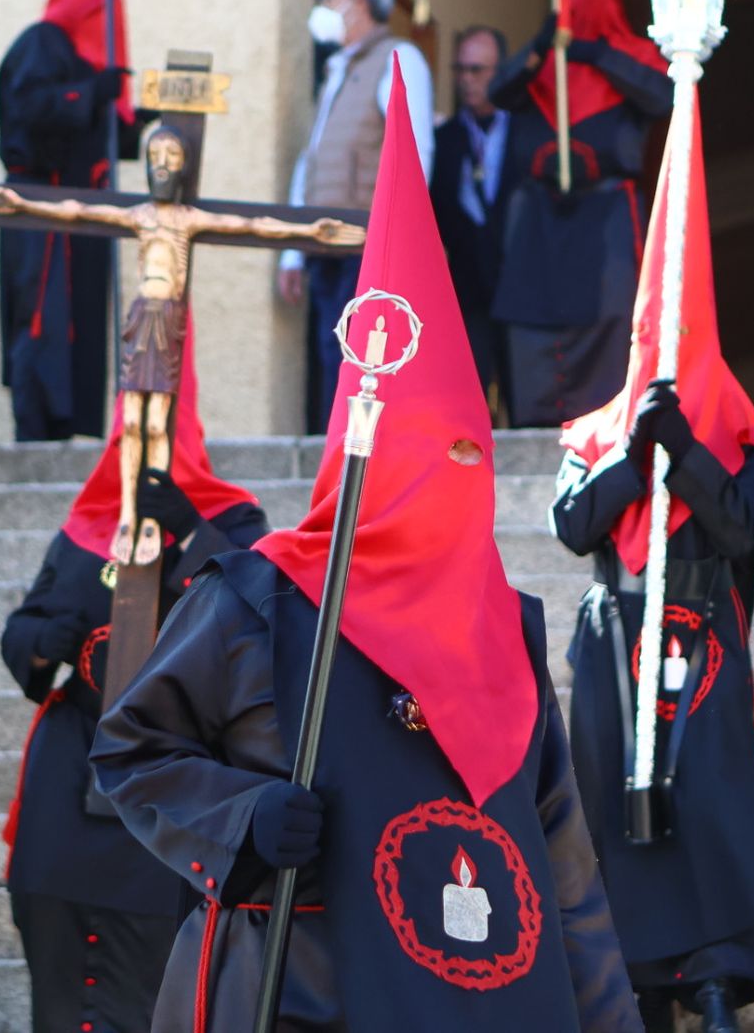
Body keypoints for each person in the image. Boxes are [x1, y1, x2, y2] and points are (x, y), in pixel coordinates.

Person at [94, 65, 641, 1033]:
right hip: (295, 990)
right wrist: (241, 817)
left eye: (472, 453)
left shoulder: (503, 636)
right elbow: (132, 750)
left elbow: (565, 873)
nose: (456, 477)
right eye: (435, 454)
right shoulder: (254, 598)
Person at [549, 94, 754, 1033]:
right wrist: (628, 453)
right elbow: (573, 525)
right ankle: (641, 988)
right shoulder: (598, 427)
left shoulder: (736, 429)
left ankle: (716, 979)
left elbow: (735, 526)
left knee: (713, 803)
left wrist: (687, 448)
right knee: (615, 811)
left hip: (703, 629)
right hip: (616, 634)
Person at [0, 320, 270, 1033]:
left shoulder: (232, 520)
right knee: (61, 988)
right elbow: (22, 635)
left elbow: (261, 619)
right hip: (67, 785)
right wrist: (42, 640)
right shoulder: (87, 522)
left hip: (172, 793)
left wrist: (189, 535)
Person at [0, 128, 362, 564]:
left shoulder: (184, 218)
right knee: (131, 426)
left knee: (158, 425)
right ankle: (128, 513)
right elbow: (77, 211)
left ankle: (152, 514)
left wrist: (317, 230)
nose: (160, 163)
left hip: (166, 324)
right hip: (140, 320)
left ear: (181, 165)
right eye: (153, 153)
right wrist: (18, 203)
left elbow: (252, 224)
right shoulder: (139, 214)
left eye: (170, 154)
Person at [490, 0, 674, 427]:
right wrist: (541, 46)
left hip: (605, 218)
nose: (581, 2)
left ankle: (606, 426)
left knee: (611, 326)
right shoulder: (541, 69)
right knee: (530, 325)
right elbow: (500, 93)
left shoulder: (630, 59)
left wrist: (596, 54)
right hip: (540, 224)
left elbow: (662, 95)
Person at [277, 0, 435, 432]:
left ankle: (356, 459)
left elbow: (415, 151)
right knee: (333, 352)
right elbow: (313, 156)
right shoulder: (339, 67)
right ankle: (335, 456)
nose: (323, 9)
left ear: (360, 2)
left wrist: (402, 233)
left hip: (369, 241)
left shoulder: (398, 57)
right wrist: (291, 250)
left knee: (362, 356)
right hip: (325, 240)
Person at [0, 0, 138, 441]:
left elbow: (96, 137)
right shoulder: (42, 43)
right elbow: (29, 111)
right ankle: (36, 436)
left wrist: (135, 118)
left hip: (78, 218)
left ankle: (65, 431)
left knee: (75, 331)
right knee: (41, 328)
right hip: (41, 214)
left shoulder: (82, 60)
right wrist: (94, 92)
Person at [429, 25, 513, 419]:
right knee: (468, 399)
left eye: (477, 69)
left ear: (501, 71)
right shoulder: (442, 139)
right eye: (460, 69)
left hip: (522, 288)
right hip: (466, 288)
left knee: (526, 393)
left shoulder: (527, 131)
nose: (466, 79)